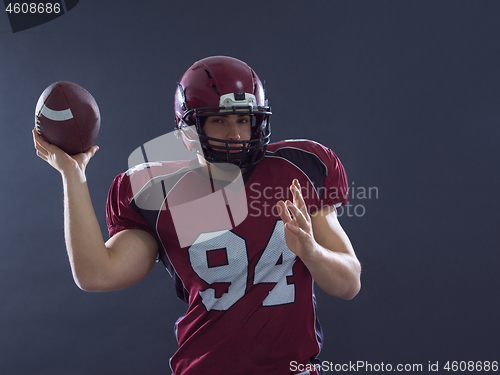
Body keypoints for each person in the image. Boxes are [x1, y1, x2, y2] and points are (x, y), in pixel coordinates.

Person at [33, 56, 361, 375]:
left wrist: (312, 252)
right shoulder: (156, 191)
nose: (235, 134)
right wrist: (73, 176)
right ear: (190, 127)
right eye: (219, 120)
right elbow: (96, 275)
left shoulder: (299, 170)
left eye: (243, 119)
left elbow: (349, 283)